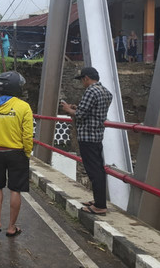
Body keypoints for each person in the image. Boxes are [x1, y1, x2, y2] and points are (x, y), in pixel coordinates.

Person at [0, 71, 32, 237]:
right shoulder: (23, 107)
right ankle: (11, 227)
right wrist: (27, 152)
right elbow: (27, 134)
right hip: (17, 153)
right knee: (15, 189)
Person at [61, 67, 112, 215]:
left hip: (87, 136)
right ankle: (98, 200)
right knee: (98, 169)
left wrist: (68, 109)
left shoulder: (90, 91)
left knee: (93, 170)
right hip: (97, 135)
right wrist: (77, 108)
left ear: (86, 78)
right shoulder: (106, 92)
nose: (82, 83)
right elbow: (93, 112)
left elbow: (81, 115)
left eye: (82, 80)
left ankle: (100, 206)